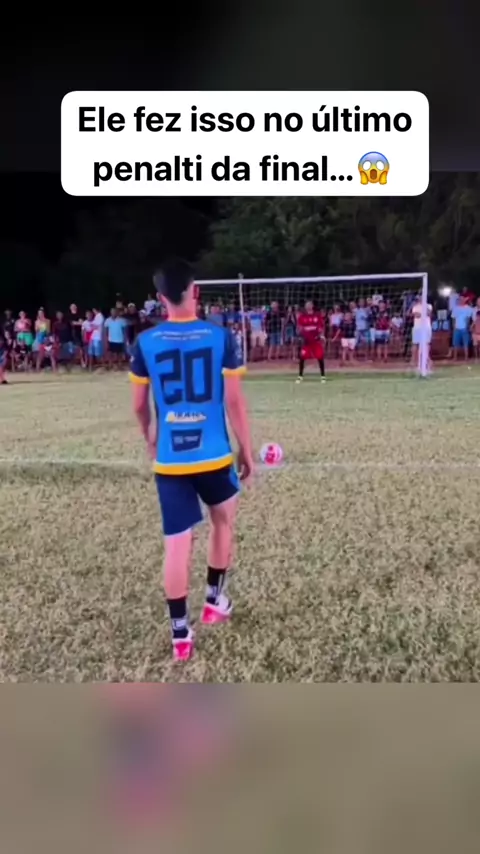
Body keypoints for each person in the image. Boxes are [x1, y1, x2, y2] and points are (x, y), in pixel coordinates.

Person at [129, 259, 253, 662]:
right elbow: (234, 401)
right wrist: (247, 450)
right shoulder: (220, 337)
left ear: (160, 298)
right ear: (195, 291)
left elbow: (139, 406)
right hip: (214, 454)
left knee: (177, 545)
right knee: (223, 523)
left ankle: (180, 634)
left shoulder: (145, 342)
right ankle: (215, 601)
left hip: (171, 460)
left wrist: (150, 438)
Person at [296, 301, 326, 382]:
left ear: (312, 306)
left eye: (309, 305)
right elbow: (299, 328)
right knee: (302, 357)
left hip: (316, 340)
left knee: (320, 357)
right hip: (306, 341)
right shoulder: (302, 317)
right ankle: (300, 376)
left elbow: (321, 327)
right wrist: (301, 336)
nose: (308, 306)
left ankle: (323, 376)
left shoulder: (317, 316)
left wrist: (321, 336)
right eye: (306, 305)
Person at [410, 295, 433, 371]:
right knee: (415, 344)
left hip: (426, 327)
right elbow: (416, 315)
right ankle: (413, 360)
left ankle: (427, 359)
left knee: (426, 344)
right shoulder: (415, 307)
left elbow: (429, 313)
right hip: (417, 327)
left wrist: (424, 309)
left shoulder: (429, 306)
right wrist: (423, 314)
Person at [452, 296, 473, 361]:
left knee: (465, 343)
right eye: (459, 299)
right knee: (455, 344)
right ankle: (455, 357)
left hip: (464, 328)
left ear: (464, 300)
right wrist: (454, 327)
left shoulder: (468, 308)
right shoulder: (455, 308)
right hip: (457, 328)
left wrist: (467, 327)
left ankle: (466, 357)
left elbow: (468, 318)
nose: (461, 301)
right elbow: (453, 318)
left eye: (462, 299)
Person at [472, 297, 480, 361]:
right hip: (475, 330)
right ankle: (476, 357)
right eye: (478, 301)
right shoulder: (474, 309)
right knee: (475, 345)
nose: (479, 302)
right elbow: (473, 320)